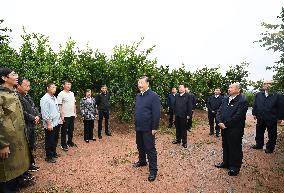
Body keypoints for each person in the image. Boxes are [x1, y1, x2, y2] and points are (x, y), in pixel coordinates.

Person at [0, 68, 30, 193]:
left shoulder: (12, 93)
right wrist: (2, 144)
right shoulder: (1, 95)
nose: (17, 76)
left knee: (16, 169)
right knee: (7, 174)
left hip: (17, 138)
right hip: (7, 141)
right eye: (13, 74)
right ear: (4, 78)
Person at [215, 82, 248, 176]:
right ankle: (226, 163)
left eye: (231, 88)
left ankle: (235, 167)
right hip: (224, 127)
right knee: (225, 145)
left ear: (238, 90)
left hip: (235, 129)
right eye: (229, 87)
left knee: (235, 147)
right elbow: (219, 111)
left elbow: (239, 116)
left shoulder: (242, 100)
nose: (229, 89)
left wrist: (225, 124)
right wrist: (219, 122)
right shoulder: (226, 98)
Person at [133, 76, 160, 182]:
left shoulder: (154, 96)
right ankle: (142, 161)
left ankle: (153, 171)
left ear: (147, 84)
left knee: (150, 149)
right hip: (139, 126)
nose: (139, 85)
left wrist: (155, 127)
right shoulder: (138, 96)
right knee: (140, 145)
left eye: (141, 83)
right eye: (138, 83)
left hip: (148, 128)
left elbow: (156, 113)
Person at [251, 80, 284, 153]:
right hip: (260, 117)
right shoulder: (259, 94)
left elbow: (281, 107)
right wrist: (254, 113)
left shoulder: (278, 95)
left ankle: (270, 147)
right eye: (264, 83)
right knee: (259, 131)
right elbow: (255, 104)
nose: (265, 84)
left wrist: (280, 118)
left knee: (272, 133)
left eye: (267, 83)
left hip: (271, 118)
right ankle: (259, 144)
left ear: (272, 85)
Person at [17, 77, 40, 171]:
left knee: (30, 144)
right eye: (26, 85)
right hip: (25, 125)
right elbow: (22, 112)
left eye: (29, 85)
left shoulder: (27, 95)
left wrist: (38, 115)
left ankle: (30, 164)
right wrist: (33, 117)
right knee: (25, 146)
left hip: (31, 124)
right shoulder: (17, 97)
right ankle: (25, 168)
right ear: (18, 86)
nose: (28, 87)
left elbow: (34, 106)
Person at [40, 83, 60, 163]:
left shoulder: (54, 97)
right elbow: (45, 112)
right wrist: (48, 123)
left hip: (56, 122)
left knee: (55, 139)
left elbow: (56, 109)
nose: (54, 89)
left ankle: (54, 152)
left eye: (55, 87)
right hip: (50, 123)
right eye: (52, 87)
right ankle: (49, 156)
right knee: (49, 140)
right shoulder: (45, 98)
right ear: (47, 88)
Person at [57, 80, 77, 151]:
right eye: (67, 84)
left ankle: (70, 142)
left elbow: (74, 104)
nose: (69, 86)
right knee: (64, 131)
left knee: (71, 129)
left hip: (72, 114)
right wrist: (61, 115)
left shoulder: (72, 93)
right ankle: (63, 144)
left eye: (70, 84)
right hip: (65, 115)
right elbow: (59, 105)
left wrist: (75, 113)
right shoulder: (61, 94)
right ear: (63, 85)